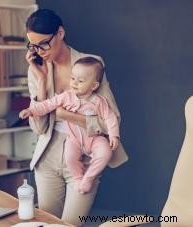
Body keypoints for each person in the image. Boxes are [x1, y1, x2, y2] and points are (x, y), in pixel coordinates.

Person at [25, 9, 128, 226]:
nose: (39, 51)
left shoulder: (91, 64)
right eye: (32, 46)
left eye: (43, 44)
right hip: (48, 157)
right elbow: (39, 128)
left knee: (70, 224)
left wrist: (68, 116)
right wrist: (42, 82)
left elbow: (111, 120)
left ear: (60, 33)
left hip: (84, 156)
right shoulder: (36, 70)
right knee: (47, 223)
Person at [20, 57, 119, 194]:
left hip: (95, 139)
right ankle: (78, 178)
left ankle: (88, 178)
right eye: (72, 78)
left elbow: (110, 117)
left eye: (80, 81)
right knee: (70, 157)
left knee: (106, 152)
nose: (74, 83)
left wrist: (114, 135)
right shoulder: (67, 96)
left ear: (94, 86)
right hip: (74, 140)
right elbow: (48, 104)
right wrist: (31, 110)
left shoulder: (99, 101)